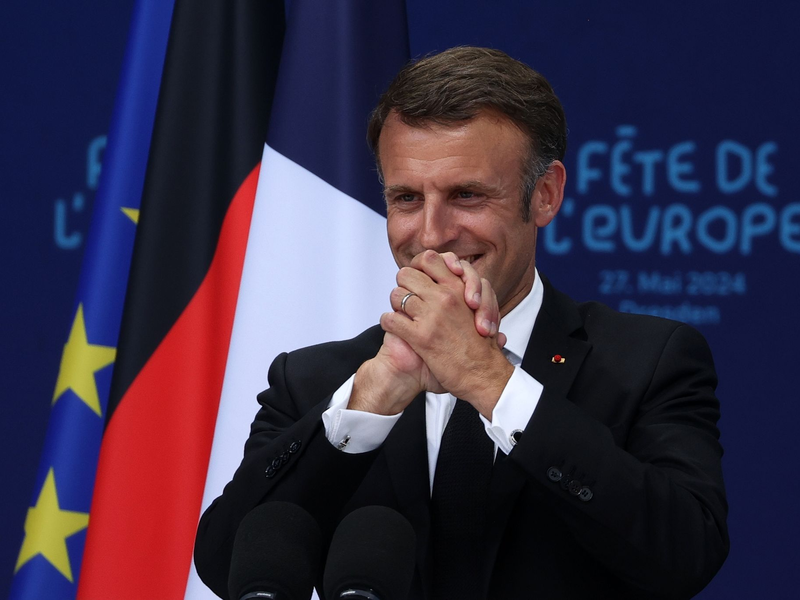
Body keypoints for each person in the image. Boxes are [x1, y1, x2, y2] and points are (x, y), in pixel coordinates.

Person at [194, 47, 728, 599]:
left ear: (544, 194)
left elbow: (685, 554)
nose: (430, 234)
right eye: (405, 198)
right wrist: (373, 396)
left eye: (466, 195)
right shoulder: (316, 381)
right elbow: (225, 561)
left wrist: (489, 381)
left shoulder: (647, 360)